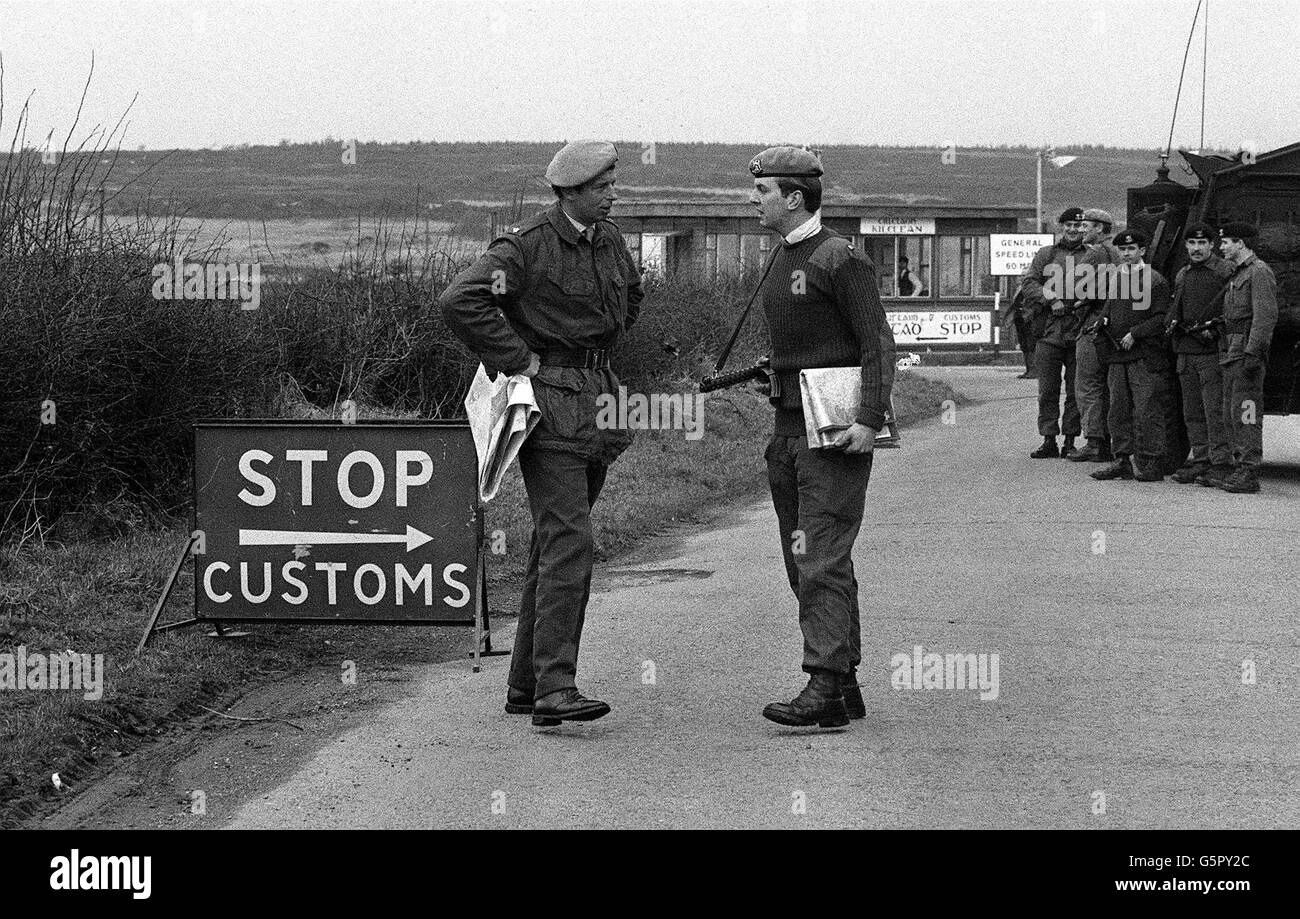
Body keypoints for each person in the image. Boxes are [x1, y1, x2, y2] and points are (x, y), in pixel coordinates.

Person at [439, 140, 644, 726]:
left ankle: (527, 684)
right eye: (602, 185)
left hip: (599, 401)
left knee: (552, 544)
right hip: (549, 409)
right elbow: (460, 301)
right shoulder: (525, 246)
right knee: (569, 541)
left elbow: (630, 295)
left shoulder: (608, 239)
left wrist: (600, 343)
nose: (612, 193)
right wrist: (519, 359)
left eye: (613, 182)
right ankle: (557, 687)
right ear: (571, 191)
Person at [746, 145, 895, 728]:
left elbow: (875, 343)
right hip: (787, 426)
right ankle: (844, 680)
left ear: (794, 198)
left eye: (761, 192)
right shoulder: (783, 257)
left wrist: (870, 419)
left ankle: (825, 686)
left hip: (832, 433)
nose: (753, 200)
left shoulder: (838, 257)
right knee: (803, 556)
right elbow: (809, 345)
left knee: (822, 557)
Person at [1090, 230, 1172, 482]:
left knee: (1147, 408)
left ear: (1142, 251)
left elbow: (1161, 317)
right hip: (1117, 354)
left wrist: (1136, 333)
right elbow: (1109, 307)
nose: (1126, 254)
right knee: (1117, 409)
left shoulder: (1154, 279)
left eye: (1131, 249)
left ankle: (1153, 461)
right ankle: (1122, 459)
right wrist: (1102, 320)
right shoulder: (1115, 277)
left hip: (1143, 355)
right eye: (1122, 250)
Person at [1205, 221, 1278, 494]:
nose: (1220, 247)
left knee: (1247, 413)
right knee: (1230, 413)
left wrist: (1253, 353)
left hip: (1245, 354)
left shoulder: (1259, 272)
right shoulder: (1239, 273)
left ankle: (1249, 470)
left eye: (1225, 242)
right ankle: (1238, 467)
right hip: (1231, 352)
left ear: (1241, 243)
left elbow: (1265, 317)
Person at [1166, 223, 1233, 484]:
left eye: (1202, 243)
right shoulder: (1183, 273)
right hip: (1186, 350)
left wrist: (1215, 332)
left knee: (1214, 410)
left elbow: (1233, 307)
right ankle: (1202, 459)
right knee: (1192, 411)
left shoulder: (1224, 271)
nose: (1196, 248)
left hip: (1210, 352)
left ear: (1212, 245)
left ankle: (1221, 462)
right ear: (1186, 246)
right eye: (1192, 244)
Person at [1020, 206, 1086, 457]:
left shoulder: (1090, 256)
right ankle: (1049, 438)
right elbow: (1029, 283)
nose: (1073, 230)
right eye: (1068, 225)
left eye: (1078, 226)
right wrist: (1051, 299)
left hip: (1079, 329)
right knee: (1047, 389)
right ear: (1062, 227)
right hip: (1049, 331)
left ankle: (1070, 440)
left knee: (1076, 389)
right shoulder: (1047, 254)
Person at [1067, 207, 1118, 463]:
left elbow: (1071, 286)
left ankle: (1095, 442)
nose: (1081, 230)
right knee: (1110, 387)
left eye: (1086, 225)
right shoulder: (1118, 252)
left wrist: (1081, 299)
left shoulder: (1096, 253)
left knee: (1087, 384)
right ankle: (1110, 441)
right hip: (1114, 325)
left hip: (1093, 323)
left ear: (1099, 228)